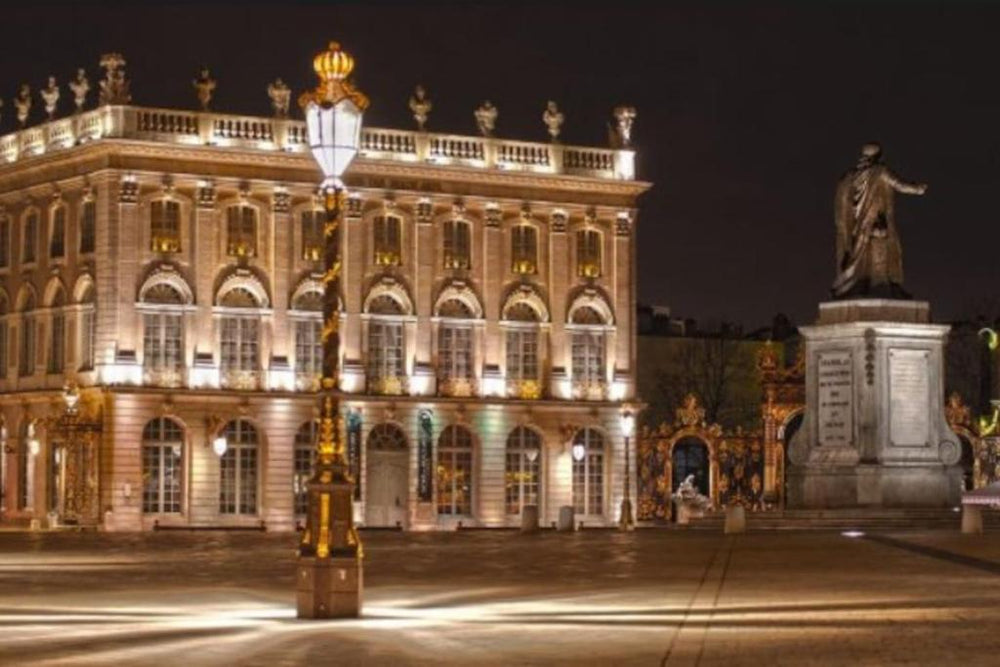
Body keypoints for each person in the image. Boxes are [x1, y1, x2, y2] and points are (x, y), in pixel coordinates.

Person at [832, 142, 927, 299]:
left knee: (862, 255)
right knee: (883, 253)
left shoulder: (851, 177)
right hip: (876, 221)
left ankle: (863, 284)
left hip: (859, 226)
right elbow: (899, 184)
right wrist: (917, 189)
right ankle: (881, 285)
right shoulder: (880, 171)